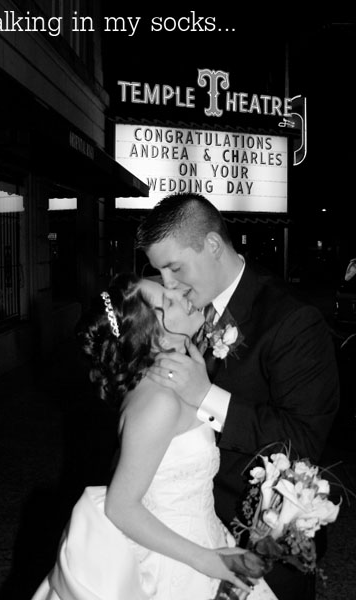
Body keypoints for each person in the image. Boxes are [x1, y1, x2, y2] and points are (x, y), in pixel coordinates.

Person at [135, 193, 340, 600]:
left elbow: (304, 440)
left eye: (175, 267)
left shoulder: (293, 320)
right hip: (189, 525)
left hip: (263, 534)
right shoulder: (184, 308)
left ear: (212, 245)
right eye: (160, 272)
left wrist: (207, 396)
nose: (169, 284)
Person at [31, 272, 277, 600]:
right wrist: (206, 560)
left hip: (204, 536)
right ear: (157, 340)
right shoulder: (159, 401)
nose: (180, 295)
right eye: (167, 302)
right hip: (177, 564)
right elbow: (120, 506)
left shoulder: (173, 378)